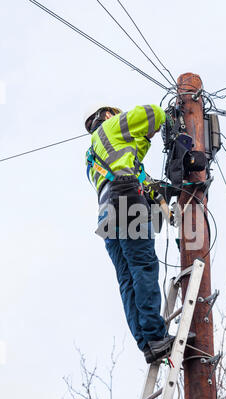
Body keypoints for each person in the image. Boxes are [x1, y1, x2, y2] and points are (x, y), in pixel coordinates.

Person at [84, 104, 175, 363]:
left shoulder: (96, 153)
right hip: (125, 199)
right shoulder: (112, 128)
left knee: (127, 278)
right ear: (109, 116)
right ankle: (156, 336)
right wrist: (171, 124)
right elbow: (152, 114)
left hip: (107, 213)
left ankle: (147, 343)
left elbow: (138, 178)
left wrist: (159, 196)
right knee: (143, 266)